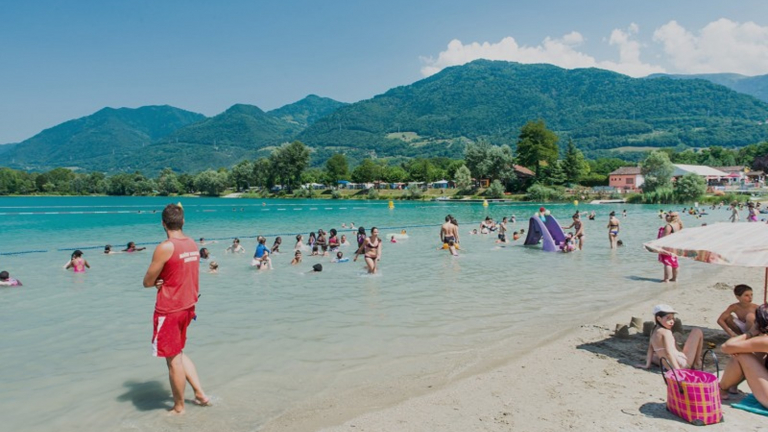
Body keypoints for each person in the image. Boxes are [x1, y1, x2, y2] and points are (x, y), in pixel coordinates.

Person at [142, 203, 210, 414]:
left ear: (162, 223)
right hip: (188, 306)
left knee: (172, 360)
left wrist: (157, 282)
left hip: (170, 309)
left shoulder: (165, 246)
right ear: (183, 222)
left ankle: (179, 407)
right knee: (178, 353)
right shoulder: (191, 243)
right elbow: (181, 272)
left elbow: (147, 281)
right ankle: (200, 394)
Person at [719, 304, 768, 403]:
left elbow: (726, 347)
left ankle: (721, 389)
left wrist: (750, 332)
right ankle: (731, 386)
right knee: (751, 353)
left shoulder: (765, 341)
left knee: (741, 354)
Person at [636, 304, 703, 370]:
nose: (672, 322)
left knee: (656, 354)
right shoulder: (666, 332)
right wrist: (678, 370)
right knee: (697, 331)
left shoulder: (653, 331)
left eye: (673, 318)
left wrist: (647, 365)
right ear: (659, 318)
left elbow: (650, 349)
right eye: (668, 318)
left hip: (667, 365)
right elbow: (668, 352)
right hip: (681, 364)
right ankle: (697, 362)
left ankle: (670, 365)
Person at [658, 212, 683, 282]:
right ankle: (674, 278)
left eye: (667, 216)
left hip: (668, 246)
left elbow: (664, 238)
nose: (666, 217)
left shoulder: (669, 226)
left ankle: (666, 279)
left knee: (667, 262)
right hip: (675, 245)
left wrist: (658, 245)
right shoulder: (678, 225)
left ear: (671, 217)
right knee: (674, 262)